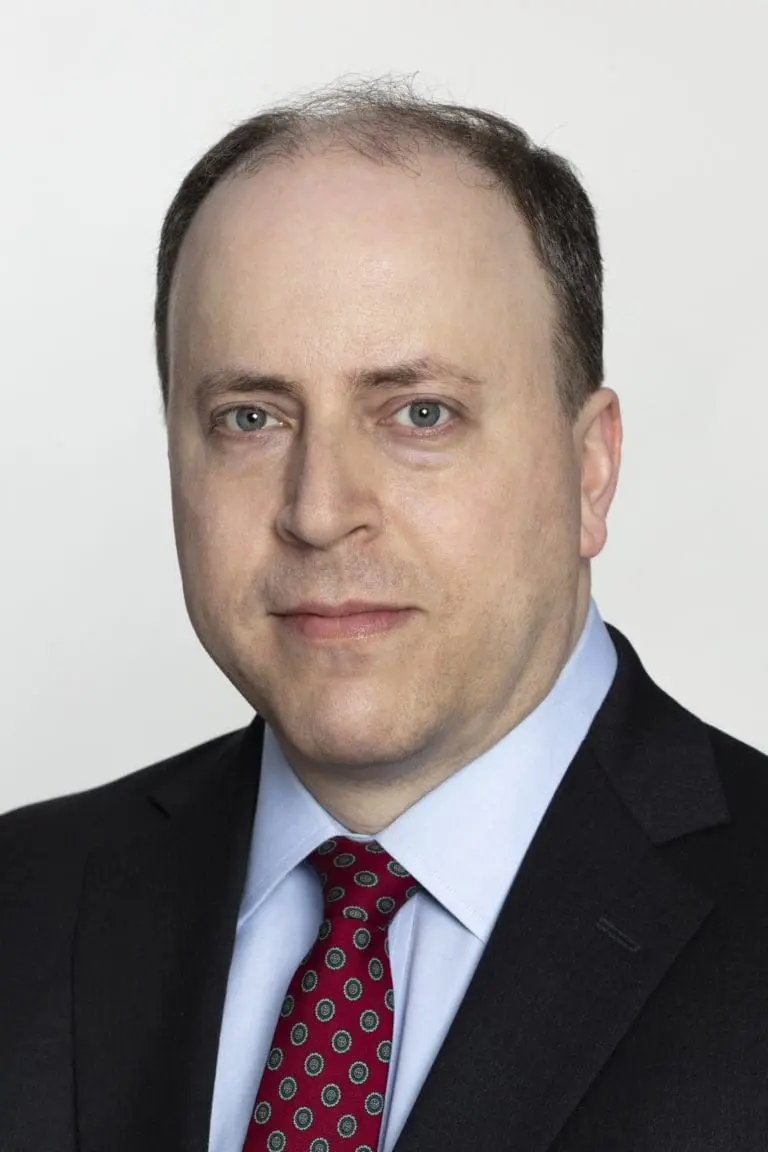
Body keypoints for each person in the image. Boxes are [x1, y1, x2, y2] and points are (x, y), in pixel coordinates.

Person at [1, 78, 767, 1152]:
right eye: (250, 418)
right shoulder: (26, 902)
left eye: (420, 413)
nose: (320, 513)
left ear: (591, 471)